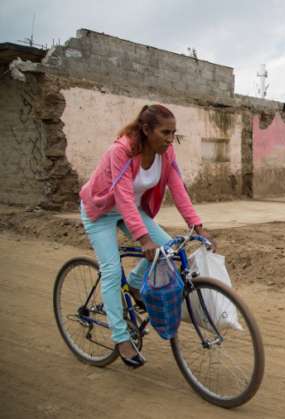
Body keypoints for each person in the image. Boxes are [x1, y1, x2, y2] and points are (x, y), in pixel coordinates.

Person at [79, 104, 214, 369]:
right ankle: (120, 337)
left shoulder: (166, 153)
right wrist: (143, 239)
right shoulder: (122, 151)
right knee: (110, 269)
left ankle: (136, 282)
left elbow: (178, 188)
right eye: (165, 132)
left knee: (168, 249)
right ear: (146, 129)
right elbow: (123, 196)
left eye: (173, 133)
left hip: (131, 211)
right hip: (100, 211)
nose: (169, 138)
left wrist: (197, 226)